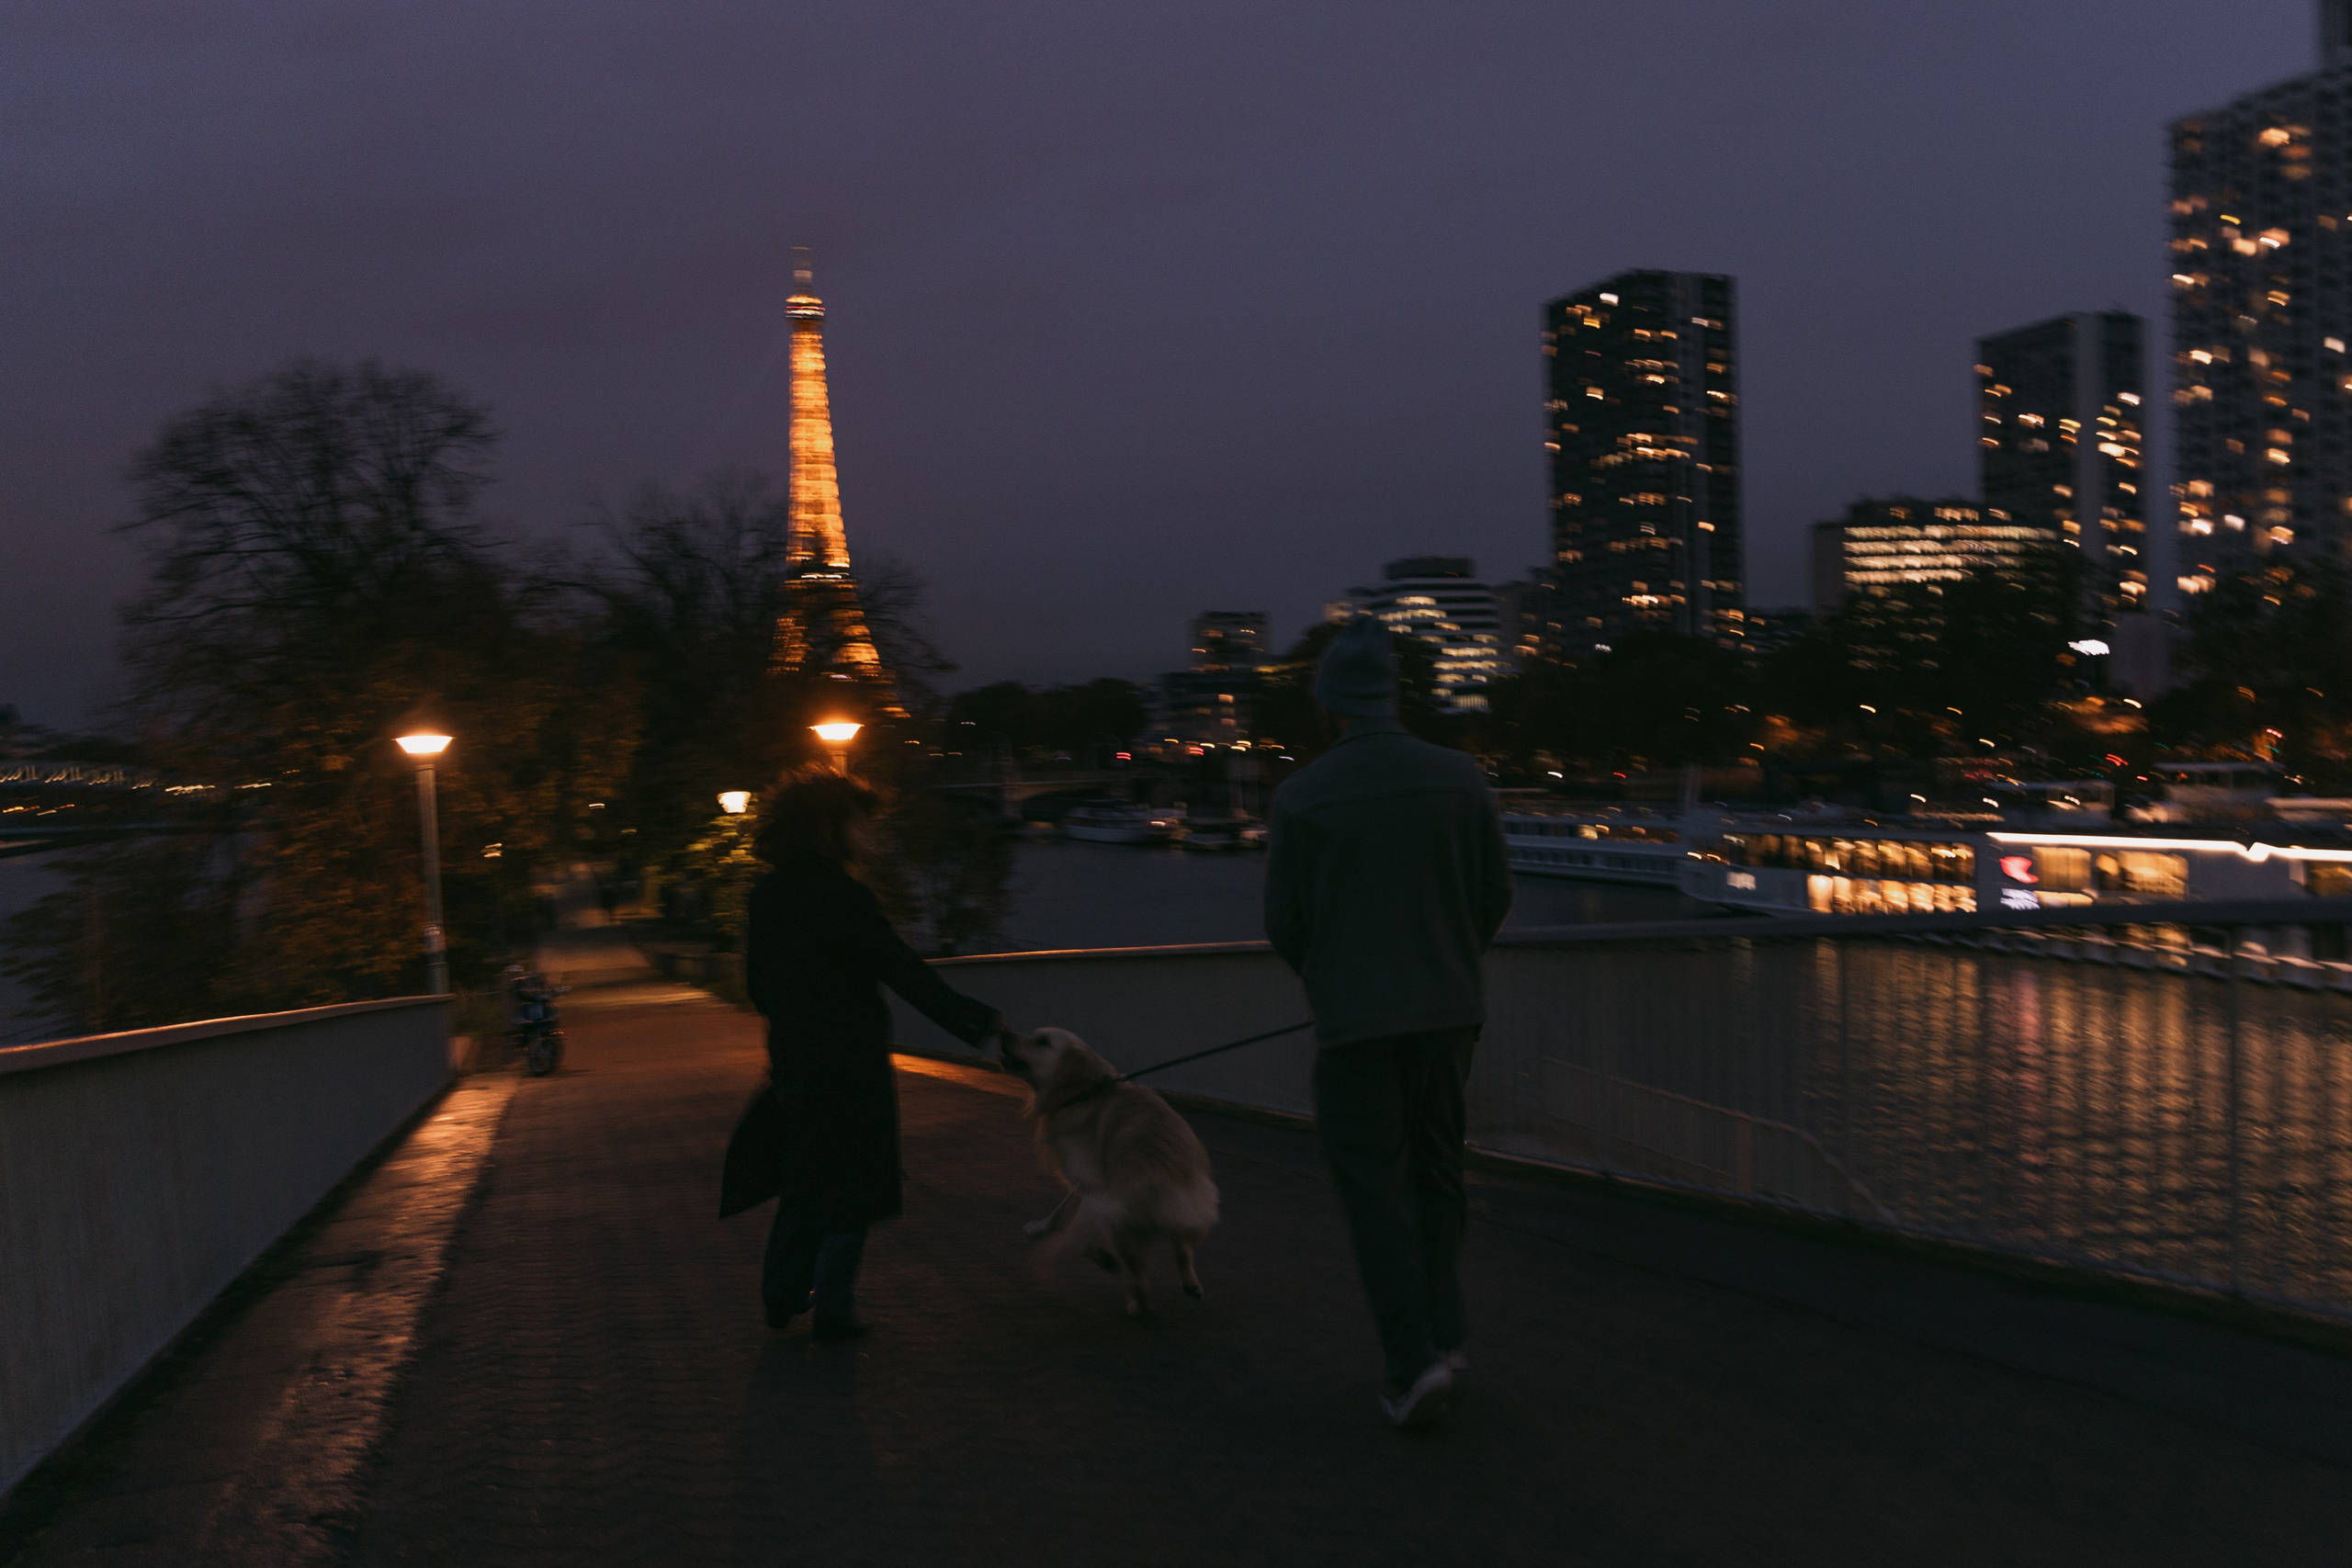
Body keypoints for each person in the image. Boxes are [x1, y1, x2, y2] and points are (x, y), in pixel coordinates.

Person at [1262, 619, 1512, 1426]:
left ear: (1330, 703)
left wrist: (1337, 979)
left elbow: (1284, 922)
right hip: (1448, 1019)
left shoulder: (1301, 797)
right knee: (1438, 1171)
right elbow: (1493, 894)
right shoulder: (1461, 778)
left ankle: (1410, 1363)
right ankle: (1442, 1329)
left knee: (1374, 1188)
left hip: (1355, 1028)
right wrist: (1449, 962)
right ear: (1395, 696)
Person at [719, 766, 1004, 1345]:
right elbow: (900, 968)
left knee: (804, 1178)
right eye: (861, 824)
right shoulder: (844, 896)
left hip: (796, 1062)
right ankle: (835, 1307)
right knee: (856, 1186)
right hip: (851, 1065)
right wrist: (972, 1020)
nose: (870, 838)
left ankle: (781, 1291)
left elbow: (758, 986)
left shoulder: (766, 895)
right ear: (833, 828)